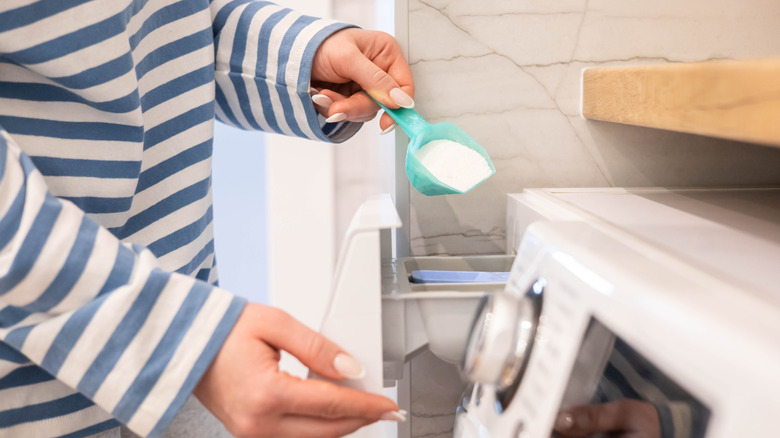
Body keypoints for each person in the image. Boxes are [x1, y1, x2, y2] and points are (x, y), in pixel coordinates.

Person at [0, 1, 414, 437]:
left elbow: (157, 21)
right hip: (38, 386)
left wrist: (300, 56)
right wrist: (173, 335)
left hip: (181, 326)